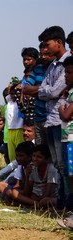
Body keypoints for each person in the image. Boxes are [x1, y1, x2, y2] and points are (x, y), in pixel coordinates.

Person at [38, 26, 71, 209]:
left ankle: (67, 204)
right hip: (50, 120)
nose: (45, 48)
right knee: (58, 164)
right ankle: (62, 203)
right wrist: (48, 92)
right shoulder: (52, 65)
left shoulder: (68, 64)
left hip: (61, 121)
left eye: (47, 44)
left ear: (59, 43)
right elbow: (45, 91)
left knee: (64, 165)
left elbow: (55, 90)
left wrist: (48, 92)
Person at [22, 43, 55, 145]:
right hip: (38, 118)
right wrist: (45, 90)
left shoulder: (58, 68)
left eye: (46, 53)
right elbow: (26, 89)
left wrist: (35, 91)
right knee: (40, 152)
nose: (43, 56)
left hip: (51, 118)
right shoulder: (37, 69)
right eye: (41, 54)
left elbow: (55, 91)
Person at [0, 121, 35, 192]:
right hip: (21, 177)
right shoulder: (23, 145)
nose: (25, 133)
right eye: (24, 130)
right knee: (3, 182)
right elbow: (14, 164)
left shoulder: (37, 147)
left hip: (32, 182)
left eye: (29, 131)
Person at [11, 144, 59, 209]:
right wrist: (27, 175)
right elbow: (26, 193)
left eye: (39, 157)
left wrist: (38, 199)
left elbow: (48, 192)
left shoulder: (51, 169)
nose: (35, 159)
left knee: (45, 201)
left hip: (48, 198)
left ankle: (33, 205)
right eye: (33, 156)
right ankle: (35, 204)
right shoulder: (33, 168)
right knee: (14, 192)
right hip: (35, 198)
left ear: (47, 159)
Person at [0, 141, 35, 205]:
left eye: (21, 156)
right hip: (23, 191)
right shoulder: (21, 165)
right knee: (1, 184)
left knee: (13, 193)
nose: (18, 158)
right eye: (17, 156)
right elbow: (18, 184)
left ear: (30, 156)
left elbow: (27, 192)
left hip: (31, 193)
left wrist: (11, 192)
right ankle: (16, 199)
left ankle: (33, 204)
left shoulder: (31, 168)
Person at [58, 56, 73, 211]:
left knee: (71, 174)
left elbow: (65, 115)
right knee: (68, 173)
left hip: (71, 138)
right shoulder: (68, 92)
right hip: (66, 136)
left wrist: (61, 109)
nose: (66, 75)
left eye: (69, 72)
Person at [5, 83, 24, 162]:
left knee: (20, 150)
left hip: (19, 129)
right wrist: (10, 88)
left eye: (15, 94)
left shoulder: (20, 102)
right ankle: (13, 170)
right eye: (11, 94)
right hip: (10, 130)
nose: (13, 96)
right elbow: (8, 94)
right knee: (12, 152)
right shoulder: (9, 102)